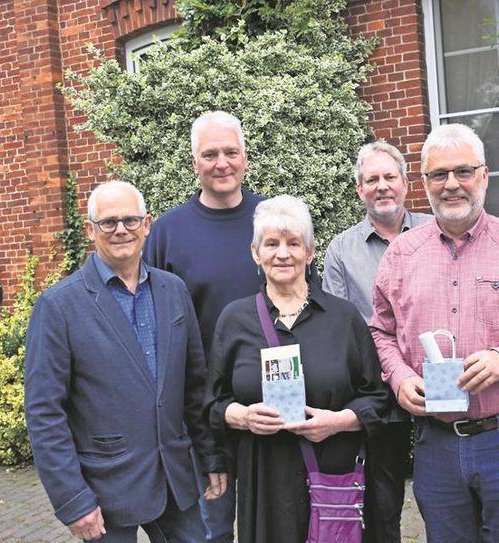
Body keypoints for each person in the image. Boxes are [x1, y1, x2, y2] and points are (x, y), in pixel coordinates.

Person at [370, 123, 499, 542]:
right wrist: (399, 377)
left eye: (463, 172)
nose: (452, 185)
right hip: (436, 445)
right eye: (439, 175)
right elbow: (381, 331)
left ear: (484, 176)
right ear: (424, 183)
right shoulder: (401, 255)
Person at [25, 181, 227, 542]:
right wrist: (72, 500)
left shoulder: (173, 290)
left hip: (174, 481)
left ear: (147, 224)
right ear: (90, 230)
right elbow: (44, 412)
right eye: (108, 222)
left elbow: (195, 386)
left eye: (131, 220)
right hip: (105, 490)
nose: (121, 230)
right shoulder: (59, 306)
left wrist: (211, 456)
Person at [205, 195, 389, 543]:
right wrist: (242, 416)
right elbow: (212, 402)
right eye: (271, 244)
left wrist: (338, 422)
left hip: (332, 475)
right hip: (265, 479)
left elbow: (377, 399)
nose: (283, 253)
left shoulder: (343, 318)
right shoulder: (234, 320)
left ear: (310, 252)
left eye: (293, 243)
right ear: (255, 253)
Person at [144, 110, 263, 541]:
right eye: (209, 154)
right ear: (194, 162)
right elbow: (146, 319)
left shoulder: (272, 220)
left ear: (245, 156)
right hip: (199, 411)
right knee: (211, 531)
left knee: (273, 526)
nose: (221, 163)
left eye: (230, 151)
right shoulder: (167, 232)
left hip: (271, 407)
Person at [322, 140, 431, 543]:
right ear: (359, 189)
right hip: (379, 392)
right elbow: (338, 327)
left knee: (444, 495)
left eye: (390, 177)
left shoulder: (437, 230)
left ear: (405, 183)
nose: (382, 186)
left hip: (440, 385)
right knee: (383, 503)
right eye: (372, 180)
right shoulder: (341, 250)